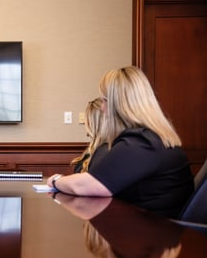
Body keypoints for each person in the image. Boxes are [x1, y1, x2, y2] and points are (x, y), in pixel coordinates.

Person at [47, 66, 194, 218]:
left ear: (120, 105)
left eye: (105, 101)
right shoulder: (154, 139)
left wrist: (56, 181)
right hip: (159, 231)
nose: (102, 108)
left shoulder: (141, 143)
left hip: (151, 234)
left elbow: (85, 186)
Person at [70, 97, 108, 173]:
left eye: (86, 119)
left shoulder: (104, 151)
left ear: (92, 123)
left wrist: (58, 181)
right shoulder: (96, 150)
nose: (84, 123)